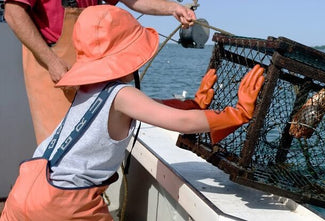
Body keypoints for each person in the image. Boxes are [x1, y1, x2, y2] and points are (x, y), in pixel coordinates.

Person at [0, 5, 264, 220]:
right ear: (127, 56)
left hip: (25, 192)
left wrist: (194, 103)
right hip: (65, 204)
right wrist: (236, 113)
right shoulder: (121, 95)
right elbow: (179, 121)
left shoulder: (85, 91)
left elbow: (149, 109)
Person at [3, 0, 196, 144]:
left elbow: (135, 0)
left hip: (93, 65)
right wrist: (51, 62)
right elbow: (13, 12)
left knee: (95, 138)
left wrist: (173, 8)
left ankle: (90, 196)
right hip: (51, 63)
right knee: (58, 143)